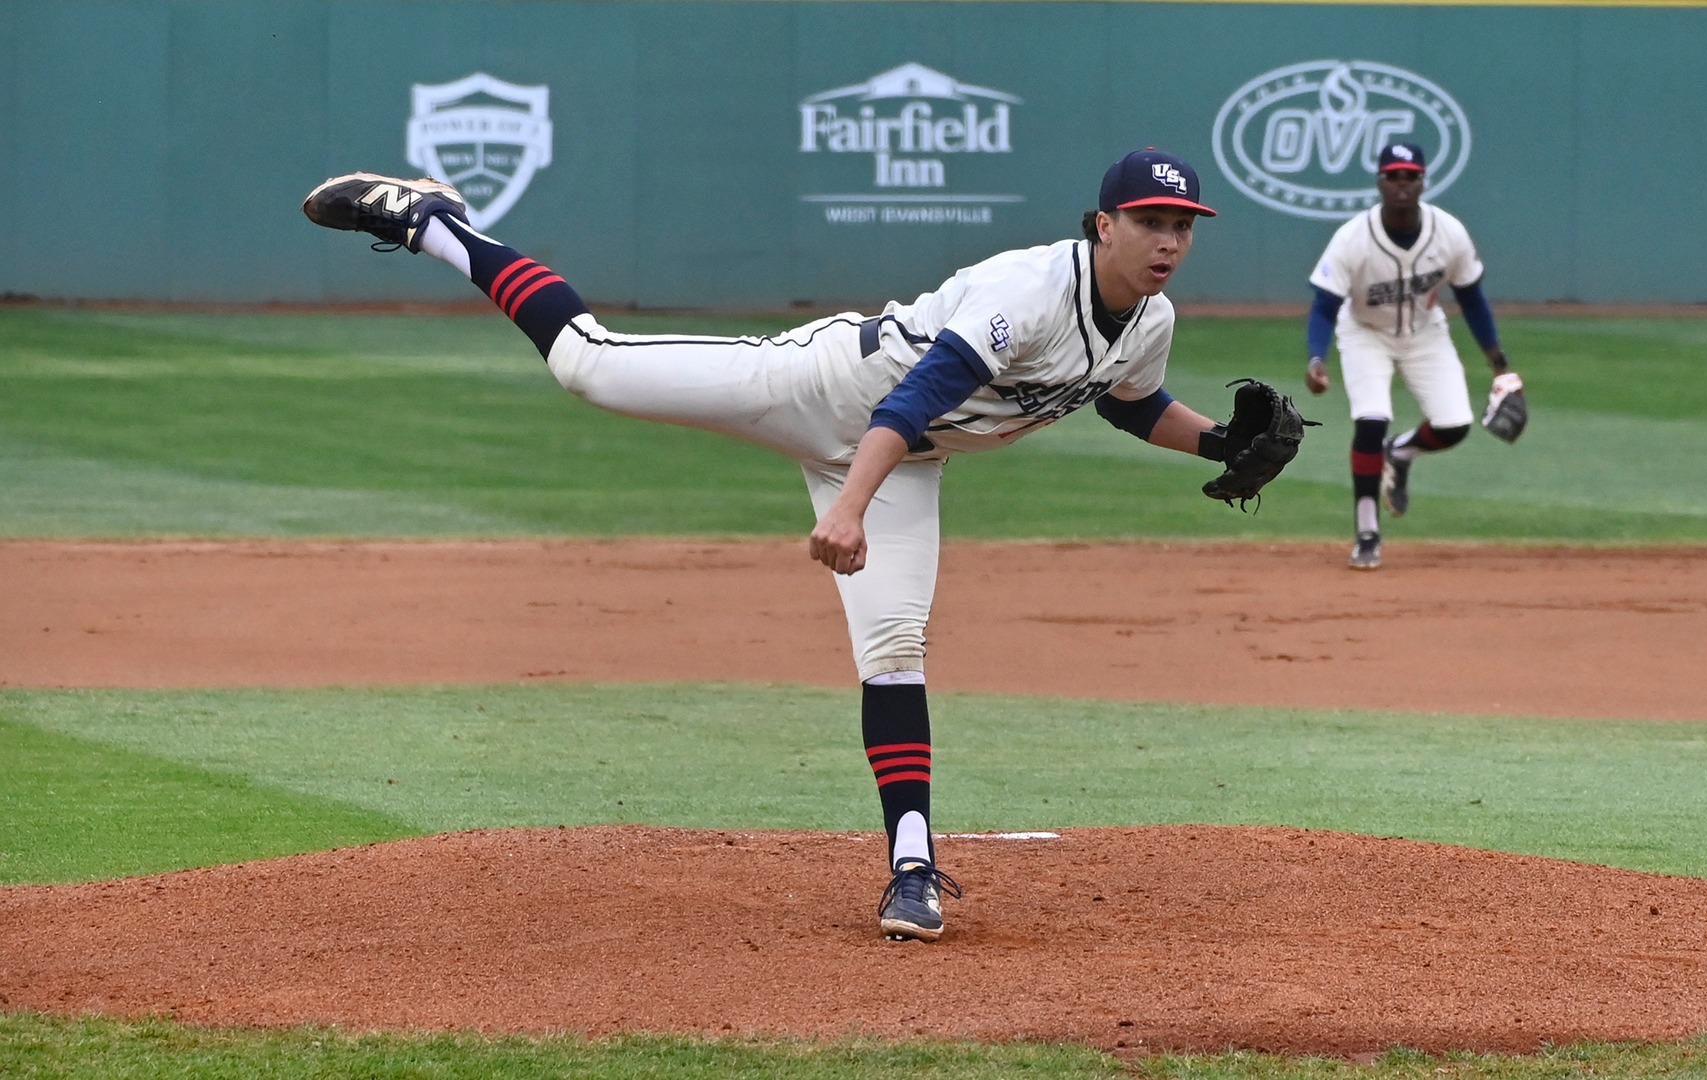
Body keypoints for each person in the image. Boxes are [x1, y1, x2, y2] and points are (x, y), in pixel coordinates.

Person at [303, 149, 1239, 943]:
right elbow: (907, 400)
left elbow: (1130, 401)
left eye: (1183, 223)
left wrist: (1224, 443)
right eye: (1151, 218)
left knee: (896, 653)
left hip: (901, 466)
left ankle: (912, 868)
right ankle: (438, 224)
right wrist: (848, 510)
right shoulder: (1026, 293)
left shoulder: (1149, 322)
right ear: (1102, 224)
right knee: (589, 365)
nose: (1169, 239)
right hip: (826, 389)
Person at [1302, 142, 1520, 570]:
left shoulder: (1449, 232)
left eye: (1411, 177)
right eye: (1394, 177)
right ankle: (1367, 531)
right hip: (1365, 332)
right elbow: (1324, 305)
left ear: (1423, 183)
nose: (1402, 185)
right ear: (1380, 182)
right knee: (1370, 419)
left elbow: (1472, 298)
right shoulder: (1352, 238)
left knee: (1455, 425)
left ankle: (1398, 453)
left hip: (1426, 334)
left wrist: (1498, 361)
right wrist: (1316, 358)